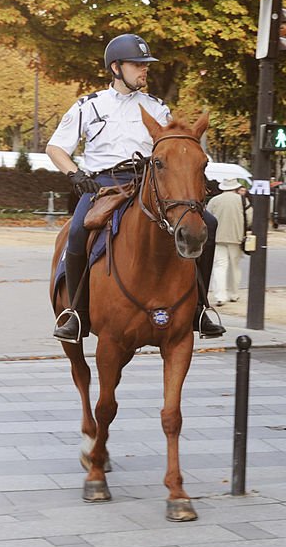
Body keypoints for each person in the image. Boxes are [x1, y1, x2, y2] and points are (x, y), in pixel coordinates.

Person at [46, 33, 224, 342]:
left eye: (146, 65)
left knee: (207, 223)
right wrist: (75, 175)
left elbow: (174, 149)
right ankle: (76, 313)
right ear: (116, 68)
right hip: (101, 184)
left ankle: (199, 308)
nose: (144, 70)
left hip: (147, 182)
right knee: (77, 230)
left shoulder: (156, 108)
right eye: (137, 65)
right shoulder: (89, 106)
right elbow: (56, 148)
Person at [206, 178, 251, 306]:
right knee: (235, 266)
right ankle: (233, 294)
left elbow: (207, 218)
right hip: (236, 237)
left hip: (218, 237)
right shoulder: (242, 200)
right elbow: (250, 217)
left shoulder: (215, 200)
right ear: (235, 187)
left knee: (220, 266)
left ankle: (220, 296)